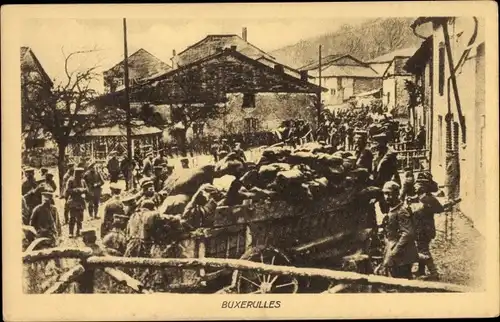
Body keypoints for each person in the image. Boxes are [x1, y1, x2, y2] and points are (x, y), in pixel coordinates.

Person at [375, 181, 418, 279]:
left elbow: (408, 234)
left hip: (401, 255)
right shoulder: (393, 209)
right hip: (395, 250)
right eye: (385, 193)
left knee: (400, 282)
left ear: (397, 194)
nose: (386, 197)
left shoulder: (401, 211)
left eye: (389, 194)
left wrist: (394, 252)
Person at [408, 172, 444, 281]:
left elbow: (440, 209)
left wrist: (427, 208)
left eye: (418, 184)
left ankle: (434, 273)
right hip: (419, 228)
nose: (415, 185)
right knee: (421, 249)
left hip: (425, 229)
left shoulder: (429, 199)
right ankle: (421, 270)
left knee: (423, 250)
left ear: (423, 187)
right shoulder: (418, 198)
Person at [65, 167, 88, 237]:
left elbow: (87, 189)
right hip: (73, 201)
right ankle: (71, 232)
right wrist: (77, 190)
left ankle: (79, 231)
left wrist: (83, 190)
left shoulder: (83, 181)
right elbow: (68, 190)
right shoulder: (70, 180)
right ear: (76, 173)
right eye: (80, 173)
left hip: (80, 201)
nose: (81, 175)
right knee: (72, 217)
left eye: (82, 173)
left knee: (80, 218)